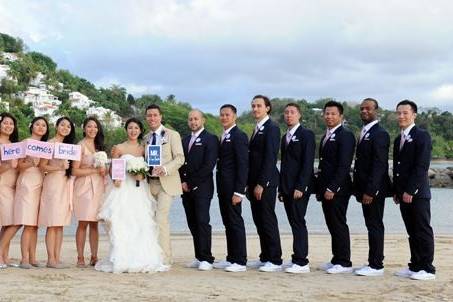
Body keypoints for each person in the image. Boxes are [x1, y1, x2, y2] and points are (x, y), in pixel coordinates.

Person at [95, 118, 164, 273]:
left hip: (139, 190)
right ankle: (121, 258)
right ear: (126, 130)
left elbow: (150, 168)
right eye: (130, 128)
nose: (133, 131)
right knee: (122, 223)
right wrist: (115, 179)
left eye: (136, 128)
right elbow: (113, 168)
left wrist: (142, 175)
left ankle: (142, 258)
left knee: (141, 223)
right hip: (123, 189)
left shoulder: (144, 148)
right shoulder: (118, 148)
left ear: (140, 131)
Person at [393, 100, 436, 281]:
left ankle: (427, 268)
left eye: (405, 113)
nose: (401, 116)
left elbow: (421, 166)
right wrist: (397, 191)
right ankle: (415, 265)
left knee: (422, 229)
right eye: (399, 113)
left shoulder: (422, 136)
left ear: (414, 115)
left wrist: (411, 190)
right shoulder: (398, 139)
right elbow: (397, 167)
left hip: (417, 194)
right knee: (411, 230)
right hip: (403, 194)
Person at [142, 103, 185, 267]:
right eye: (149, 115)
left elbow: (180, 158)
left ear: (161, 117)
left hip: (167, 183)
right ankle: (152, 255)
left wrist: (165, 169)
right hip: (149, 184)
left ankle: (165, 258)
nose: (152, 118)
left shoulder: (172, 135)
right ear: (146, 118)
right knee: (151, 220)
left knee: (161, 219)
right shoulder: (145, 138)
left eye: (155, 115)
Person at [316, 101, 356, 274]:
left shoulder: (345, 135)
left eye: (333, 114)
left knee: (338, 223)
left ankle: (344, 261)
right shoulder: (326, 135)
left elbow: (343, 165)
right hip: (325, 188)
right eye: (327, 113)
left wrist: (333, 188)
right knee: (331, 223)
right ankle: (336, 258)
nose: (329, 116)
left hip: (338, 189)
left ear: (341, 116)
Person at [352, 98, 391, 277]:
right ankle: (373, 261)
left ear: (377, 110)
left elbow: (379, 164)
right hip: (363, 189)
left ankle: (376, 265)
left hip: (373, 191)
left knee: (375, 225)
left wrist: (370, 191)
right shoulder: (365, 131)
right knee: (371, 225)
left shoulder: (380, 133)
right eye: (362, 109)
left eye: (368, 108)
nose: (364, 111)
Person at [278, 103, 315, 274]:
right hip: (286, 188)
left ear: (299, 115)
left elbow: (307, 163)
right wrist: (281, 189)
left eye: (292, 112)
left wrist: (301, 186)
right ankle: (296, 258)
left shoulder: (306, 135)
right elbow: (285, 165)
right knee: (293, 223)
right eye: (286, 113)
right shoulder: (285, 137)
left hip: (299, 188)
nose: (288, 115)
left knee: (299, 222)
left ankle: (301, 262)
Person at [179, 110, 219, 271]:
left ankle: (207, 258)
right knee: (192, 222)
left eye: (196, 119)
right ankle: (199, 256)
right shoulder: (185, 139)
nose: (193, 122)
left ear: (203, 120)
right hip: (185, 189)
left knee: (202, 222)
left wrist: (190, 182)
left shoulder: (211, 139)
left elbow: (208, 166)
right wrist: (182, 182)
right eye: (190, 119)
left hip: (202, 188)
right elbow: (181, 163)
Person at [247, 95, 282, 272]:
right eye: (253, 106)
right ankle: (265, 256)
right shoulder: (257, 128)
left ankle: (275, 259)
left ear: (267, 108)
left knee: (268, 220)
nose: (255, 109)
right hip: (254, 183)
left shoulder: (272, 128)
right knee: (259, 220)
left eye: (259, 106)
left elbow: (270, 158)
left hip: (265, 183)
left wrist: (262, 183)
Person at [213, 104, 249, 272]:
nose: (224, 117)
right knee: (228, 222)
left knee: (235, 222)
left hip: (233, 188)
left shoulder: (239, 136)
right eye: (222, 115)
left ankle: (240, 261)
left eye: (227, 114)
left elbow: (243, 165)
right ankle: (231, 257)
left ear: (234, 116)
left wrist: (239, 191)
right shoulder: (224, 135)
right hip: (223, 186)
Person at [38, 117, 76, 268]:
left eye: (68, 126)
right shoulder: (49, 144)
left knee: (60, 223)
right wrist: (60, 167)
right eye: (62, 125)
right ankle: (50, 259)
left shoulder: (69, 147)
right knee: (52, 223)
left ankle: (57, 257)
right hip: (53, 184)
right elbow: (42, 166)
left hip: (65, 185)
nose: (65, 128)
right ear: (56, 126)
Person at [72, 117, 107, 267]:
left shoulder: (99, 146)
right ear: (84, 128)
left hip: (99, 186)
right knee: (83, 222)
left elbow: (103, 167)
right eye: (89, 126)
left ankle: (94, 256)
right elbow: (74, 170)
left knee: (94, 223)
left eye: (95, 127)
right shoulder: (80, 146)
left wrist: (104, 171)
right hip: (84, 187)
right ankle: (80, 257)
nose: (92, 129)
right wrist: (92, 170)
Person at [0, 112, 20, 268]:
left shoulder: (15, 145)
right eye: (5, 123)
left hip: (13, 186)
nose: (8, 126)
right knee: (13, 221)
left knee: (8, 223)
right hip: (2, 185)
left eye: (11, 124)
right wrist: (7, 165)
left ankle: (4, 257)